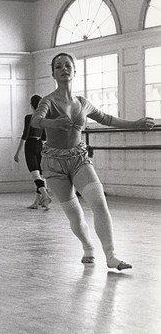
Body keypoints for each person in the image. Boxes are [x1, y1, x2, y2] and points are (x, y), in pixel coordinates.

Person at [31, 52, 154, 271]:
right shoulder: (48, 101)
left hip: (79, 159)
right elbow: (36, 120)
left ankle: (111, 255)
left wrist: (135, 123)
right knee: (75, 215)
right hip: (53, 164)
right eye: (58, 66)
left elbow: (107, 119)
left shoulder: (82, 103)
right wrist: (51, 124)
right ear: (53, 73)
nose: (64, 69)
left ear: (74, 71)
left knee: (99, 203)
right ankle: (88, 247)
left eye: (67, 65)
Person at [14, 95, 51, 210]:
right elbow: (45, 137)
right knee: (41, 175)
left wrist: (17, 152)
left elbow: (25, 135)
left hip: (30, 145)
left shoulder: (29, 117)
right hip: (40, 145)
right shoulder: (43, 118)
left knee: (35, 174)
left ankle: (45, 195)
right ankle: (37, 202)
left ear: (31, 105)